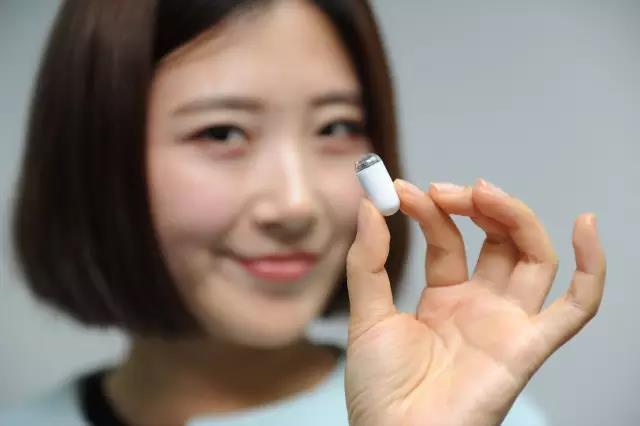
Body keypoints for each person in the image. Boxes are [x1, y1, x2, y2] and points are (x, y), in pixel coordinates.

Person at [0, 0, 606, 425]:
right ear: (93, 155)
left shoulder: (468, 412)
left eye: (336, 128)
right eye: (221, 133)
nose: (297, 204)